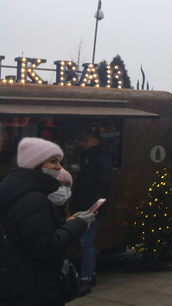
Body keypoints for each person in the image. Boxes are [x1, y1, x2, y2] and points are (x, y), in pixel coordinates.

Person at [0, 138, 95, 305]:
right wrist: (78, 225)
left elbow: (33, 236)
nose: (59, 167)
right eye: (52, 161)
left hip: (19, 282)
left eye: (59, 161)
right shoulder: (33, 198)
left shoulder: (19, 191)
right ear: (36, 164)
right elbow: (46, 247)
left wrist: (65, 225)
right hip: (33, 287)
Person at [70, 129, 112, 295]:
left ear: (95, 141)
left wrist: (92, 208)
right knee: (87, 241)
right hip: (87, 205)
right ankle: (90, 274)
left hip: (90, 207)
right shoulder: (92, 157)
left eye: (86, 139)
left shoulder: (99, 159)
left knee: (86, 241)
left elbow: (102, 186)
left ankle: (87, 277)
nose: (82, 143)